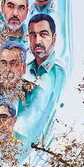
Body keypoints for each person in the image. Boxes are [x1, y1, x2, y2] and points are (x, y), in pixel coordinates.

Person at [19, 13, 66, 142]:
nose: (37, 41)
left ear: (54, 38)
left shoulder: (61, 74)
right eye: (33, 35)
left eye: (43, 34)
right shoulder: (22, 72)